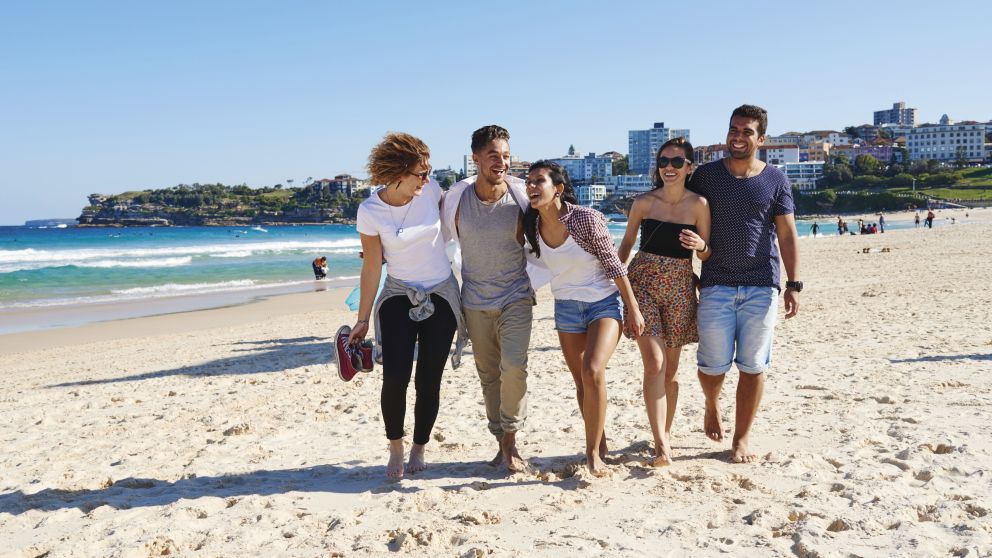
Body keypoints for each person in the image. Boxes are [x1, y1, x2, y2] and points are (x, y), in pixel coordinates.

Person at [347, 132, 467, 480]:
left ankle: (419, 447)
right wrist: (362, 319)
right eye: (421, 172)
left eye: (428, 172)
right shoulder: (370, 211)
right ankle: (396, 447)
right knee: (396, 377)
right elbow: (371, 265)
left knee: (429, 380)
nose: (428, 179)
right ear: (397, 171)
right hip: (398, 294)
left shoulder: (430, 191)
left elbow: (459, 219)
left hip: (442, 294)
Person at [686, 104, 801, 464]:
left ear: (761, 139)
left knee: (753, 366)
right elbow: (678, 215)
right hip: (715, 282)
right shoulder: (705, 176)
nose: (737, 137)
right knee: (712, 366)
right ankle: (711, 403)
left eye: (746, 131)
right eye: (734, 129)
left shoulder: (776, 179)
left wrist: (793, 284)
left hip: (761, 284)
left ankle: (741, 439)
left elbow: (787, 232)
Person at [523, 160, 645, 476]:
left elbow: (614, 265)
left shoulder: (586, 220)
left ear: (559, 189)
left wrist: (632, 308)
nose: (532, 187)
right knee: (581, 380)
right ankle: (599, 442)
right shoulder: (530, 226)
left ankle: (592, 454)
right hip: (565, 308)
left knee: (592, 370)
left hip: (602, 304)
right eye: (529, 182)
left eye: (539, 181)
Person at [440, 125, 535, 473]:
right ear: (476, 158)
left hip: (516, 295)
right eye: (494, 155)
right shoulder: (456, 199)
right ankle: (501, 442)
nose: (502, 162)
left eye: (506, 155)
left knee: (514, 368)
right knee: (488, 375)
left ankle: (510, 440)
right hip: (474, 300)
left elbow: (557, 220)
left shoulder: (522, 197)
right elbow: (428, 234)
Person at [618, 137, 710, 466]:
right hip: (643, 281)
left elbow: (707, 252)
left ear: (689, 167)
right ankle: (661, 445)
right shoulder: (644, 202)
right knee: (654, 364)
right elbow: (627, 243)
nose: (668, 168)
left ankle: (665, 434)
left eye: (676, 162)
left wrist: (700, 244)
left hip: (680, 286)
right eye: (663, 162)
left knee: (670, 372)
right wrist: (617, 283)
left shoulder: (699, 204)